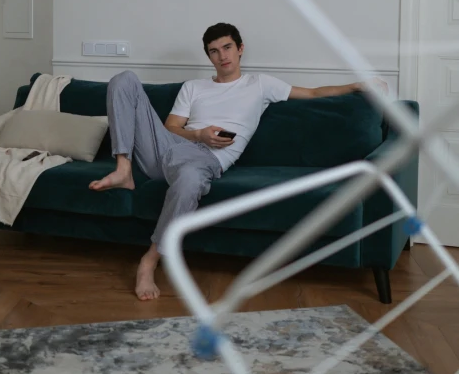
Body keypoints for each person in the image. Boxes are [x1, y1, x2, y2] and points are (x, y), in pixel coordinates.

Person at [89, 23, 387, 301]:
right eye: (214, 51)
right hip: (172, 148)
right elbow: (169, 129)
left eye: (227, 47)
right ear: (209, 57)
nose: (222, 56)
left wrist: (356, 86)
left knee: (191, 180)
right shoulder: (193, 87)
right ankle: (124, 169)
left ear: (240, 48)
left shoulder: (260, 85)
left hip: (205, 160)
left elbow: (311, 93)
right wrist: (199, 134)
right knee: (123, 80)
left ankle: (149, 261)